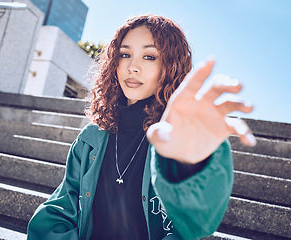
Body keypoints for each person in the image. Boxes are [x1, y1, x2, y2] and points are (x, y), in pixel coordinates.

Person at [27, 14, 256, 240]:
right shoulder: (90, 138)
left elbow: (196, 226)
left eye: (149, 57)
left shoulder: (177, 138)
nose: (132, 67)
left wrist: (189, 166)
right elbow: (58, 212)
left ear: (170, 67)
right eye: (125, 54)